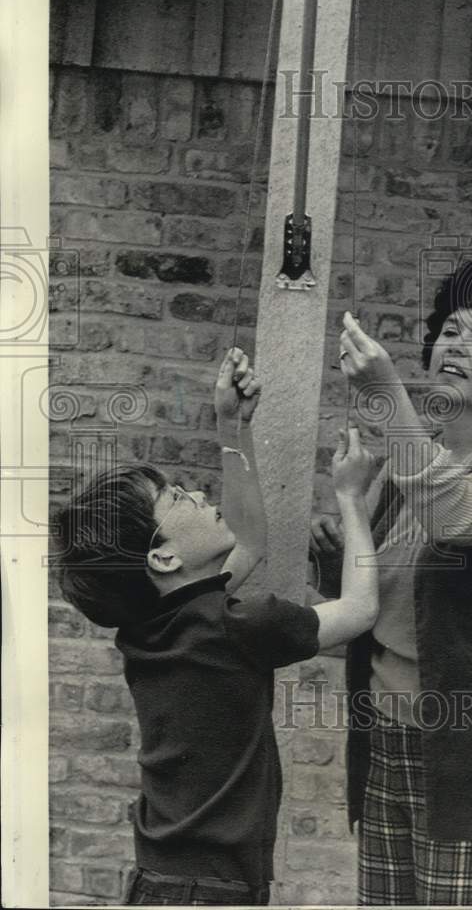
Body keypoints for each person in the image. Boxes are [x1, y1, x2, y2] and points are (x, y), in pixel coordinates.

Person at [54, 347, 379, 907]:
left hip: (163, 882)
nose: (196, 493)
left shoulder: (153, 625)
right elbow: (358, 611)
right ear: (163, 560)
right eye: (175, 498)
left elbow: (250, 541)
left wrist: (234, 426)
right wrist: (350, 497)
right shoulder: (235, 626)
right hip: (212, 891)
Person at [310, 251, 472, 906]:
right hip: (387, 742)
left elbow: (457, 516)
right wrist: (341, 541)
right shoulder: (414, 457)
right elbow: (368, 608)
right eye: (451, 330)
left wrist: (383, 391)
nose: (458, 345)